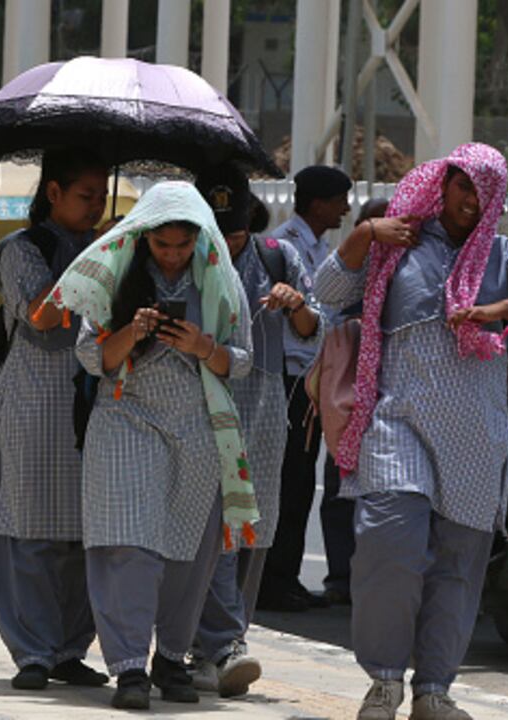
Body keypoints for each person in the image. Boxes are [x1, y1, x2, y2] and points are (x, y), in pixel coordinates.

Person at [314, 143, 508, 720]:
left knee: (458, 566)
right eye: (462, 185)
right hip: (398, 419)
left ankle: (434, 690)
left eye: (482, 191)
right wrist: (364, 237)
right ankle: (385, 680)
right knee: (390, 539)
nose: (469, 199)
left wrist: (505, 309)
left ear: (495, 198)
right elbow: (328, 293)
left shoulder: (505, 254)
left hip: (476, 432)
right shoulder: (398, 241)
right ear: (444, 183)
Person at [65, 182, 254, 710]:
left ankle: (170, 657)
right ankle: (127, 668)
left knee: (185, 551)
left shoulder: (220, 280)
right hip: (126, 419)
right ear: (143, 238)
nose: (172, 256)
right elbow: (93, 358)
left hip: (196, 428)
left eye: (181, 246)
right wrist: (133, 331)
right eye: (161, 245)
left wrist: (201, 346)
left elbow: (241, 361)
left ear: (199, 240)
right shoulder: (114, 277)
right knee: (128, 545)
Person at [190, 166, 321, 696]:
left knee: (251, 531)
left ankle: (225, 640)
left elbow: (314, 329)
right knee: (215, 523)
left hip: (265, 404)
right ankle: (220, 643)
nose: (230, 240)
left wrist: (296, 305)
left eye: (237, 229)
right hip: (203, 398)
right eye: (219, 230)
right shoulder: (187, 257)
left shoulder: (278, 257)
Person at [0, 148, 110, 691]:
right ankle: (31, 651)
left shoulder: (111, 249)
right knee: (30, 530)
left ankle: (69, 649)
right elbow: (42, 315)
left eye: (102, 198)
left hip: (97, 402)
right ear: (54, 193)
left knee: (88, 534)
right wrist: (96, 267)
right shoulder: (21, 250)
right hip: (36, 399)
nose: (96, 208)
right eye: (86, 197)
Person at [260, 164, 352, 612]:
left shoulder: (318, 248)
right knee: (288, 481)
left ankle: (285, 577)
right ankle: (273, 580)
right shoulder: (284, 247)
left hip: (311, 378)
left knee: (299, 482)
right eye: (339, 201)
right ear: (318, 204)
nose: (345, 209)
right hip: (289, 377)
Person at [318, 196, 388, 606]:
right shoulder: (345, 270)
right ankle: (342, 576)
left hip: (390, 398)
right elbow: (323, 307)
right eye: (372, 229)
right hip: (345, 399)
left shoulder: (411, 271)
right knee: (339, 490)